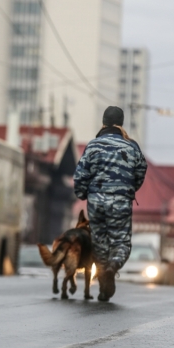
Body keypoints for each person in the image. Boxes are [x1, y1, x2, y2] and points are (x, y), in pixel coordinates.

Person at [73, 106, 147, 302]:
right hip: (121, 201)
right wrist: (129, 188)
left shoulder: (93, 145)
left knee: (99, 242)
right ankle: (111, 270)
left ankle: (104, 281)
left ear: (103, 123)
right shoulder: (132, 147)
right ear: (121, 124)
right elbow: (141, 170)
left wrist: (82, 193)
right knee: (121, 242)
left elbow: (80, 175)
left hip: (96, 202)